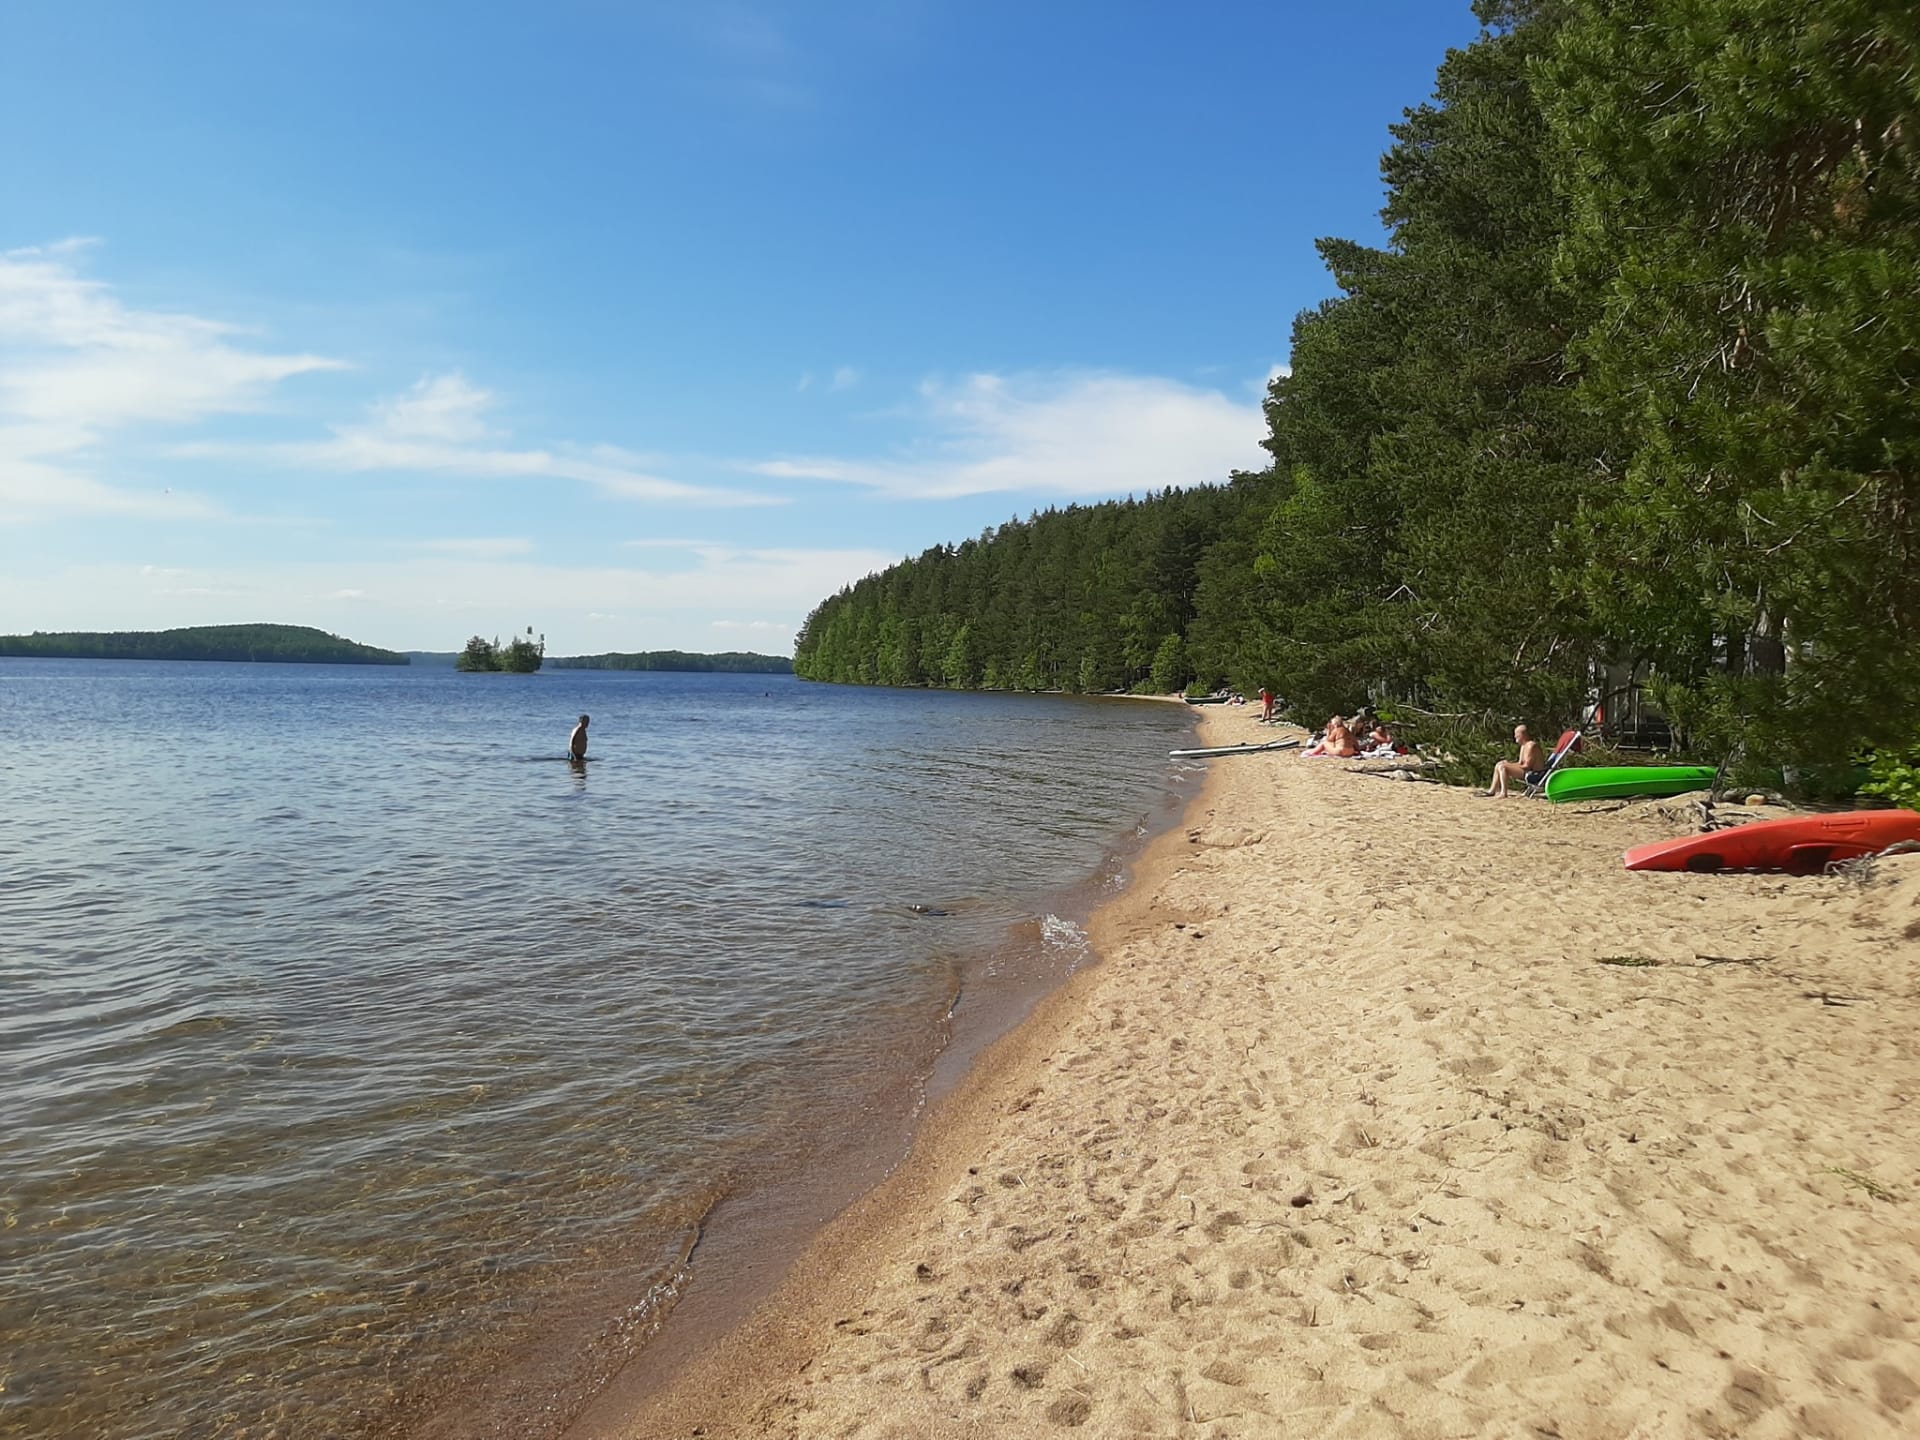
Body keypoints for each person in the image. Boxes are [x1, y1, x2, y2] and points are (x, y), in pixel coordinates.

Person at [1486, 724, 1546, 797]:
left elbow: (1527, 766)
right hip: (1528, 771)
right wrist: (1509, 763)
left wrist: (1508, 765)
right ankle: (1492, 790)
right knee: (1499, 764)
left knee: (1503, 767)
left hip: (1534, 774)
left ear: (1523, 734)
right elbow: (1520, 763)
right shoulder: (1524, 746)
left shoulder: (1531, 746)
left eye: (1516, 734)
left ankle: (1503, 793)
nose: (1515, 736)